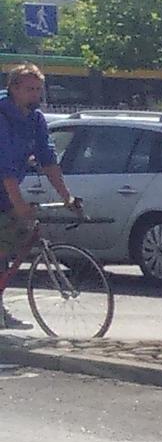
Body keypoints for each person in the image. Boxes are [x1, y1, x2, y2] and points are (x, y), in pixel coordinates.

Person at [0, 64, 79, 327]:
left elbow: (48, 160)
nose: (36, 94)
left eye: (38, 88)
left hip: (4, 191)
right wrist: (19, 203)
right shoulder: (2, 114)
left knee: (8, 245)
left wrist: (67, 196)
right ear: (13, 89)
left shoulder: (35, 119)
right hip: (5, 185)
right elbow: (5, 162)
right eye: (30, 89)